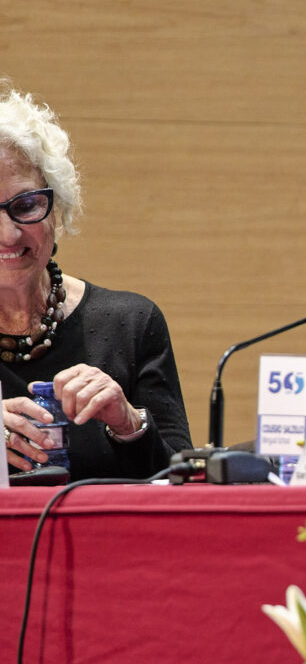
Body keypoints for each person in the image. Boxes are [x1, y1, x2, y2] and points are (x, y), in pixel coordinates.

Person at [0, 81, 191, 480]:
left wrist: (129, 424)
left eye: (26, 205)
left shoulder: (131, 323)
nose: (9, 235)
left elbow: (182, 482)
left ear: (57, 207)